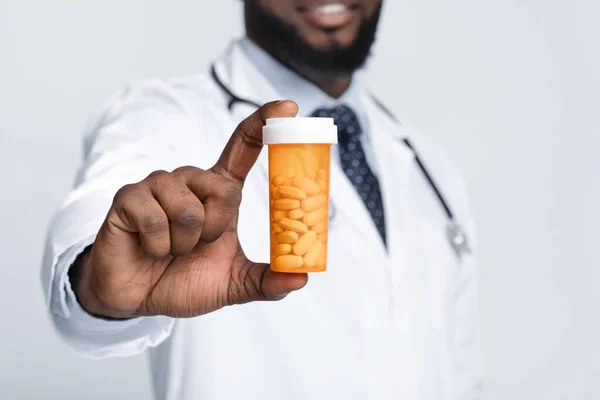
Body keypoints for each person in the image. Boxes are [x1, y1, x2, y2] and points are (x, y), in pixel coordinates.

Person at [42, 1, 483, 399]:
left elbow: (456, 372)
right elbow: (102, 209)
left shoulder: (429, 166)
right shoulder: (161, 118)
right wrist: (97, 284)